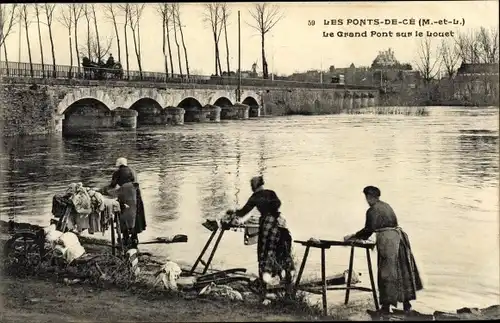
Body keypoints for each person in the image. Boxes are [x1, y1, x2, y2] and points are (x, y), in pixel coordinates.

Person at [344, 186, 423, 316]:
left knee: (386, 274)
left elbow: (368, 231)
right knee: (403, 272)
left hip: (388, 242)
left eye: (367, 197)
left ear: (370, 197)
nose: (367, 200)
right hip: (400, 239)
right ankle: (406, 306)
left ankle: (385, 309)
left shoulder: (372, 210)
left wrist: (352, 237)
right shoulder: (386, 206)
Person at [228, 176, 295, 292]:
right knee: (282, 251)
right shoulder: (271, 193)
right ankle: (287, 279)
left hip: (268, 224)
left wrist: (232, 213)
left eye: (251, 185)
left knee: (265, 251)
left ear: (254, 186)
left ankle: (265, 282)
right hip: (280, 221)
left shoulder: (255, 197)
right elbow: (278, 204)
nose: (251, 187)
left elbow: (243, 211)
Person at [108, 157, 146, 249]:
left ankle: (125, 238)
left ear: (119, 165)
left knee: (124, 215)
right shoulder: (132, 170)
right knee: (135, 216)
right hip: (136, 196)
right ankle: (134, 238)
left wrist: (104, 190)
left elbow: (113, 185)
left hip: (126, 197)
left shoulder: (117, 173)